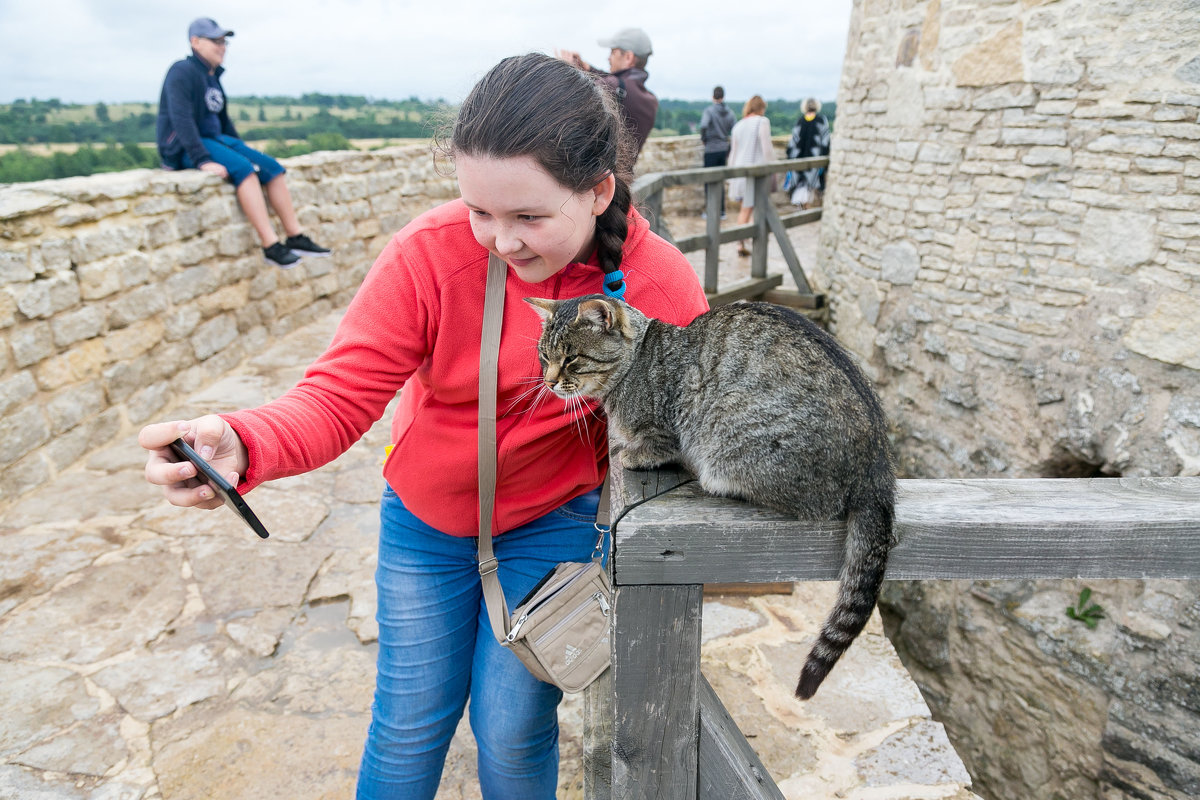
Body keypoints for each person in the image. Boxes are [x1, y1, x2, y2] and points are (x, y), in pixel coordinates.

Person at [139, 52, 709, 799]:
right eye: (479, 211)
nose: (500, 242)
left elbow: (696, 419)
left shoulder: (659, 283)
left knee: (511, 730)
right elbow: (339, 395)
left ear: (600, 190)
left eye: (529, 217)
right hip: (423, 524)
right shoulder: (429, 253)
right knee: (409, 722)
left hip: (551, 522)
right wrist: (245, 442)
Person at [156, 17, 331, 268]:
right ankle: (271, 245)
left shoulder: (211, 76)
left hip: (214, 139)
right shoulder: (182, 71)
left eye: (223, 41)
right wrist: (202, 160)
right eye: (215, 41)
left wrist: (243, 150)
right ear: (195, 42)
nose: (222, 46)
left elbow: (222, 121)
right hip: (186, 146)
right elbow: (181, 119)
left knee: (272, 168)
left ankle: (295, 236)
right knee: (244, 171)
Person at [555, 27, 658, 158]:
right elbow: (618, 82)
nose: (608, 58)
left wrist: (567, 70)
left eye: (613, 52)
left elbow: (570, 99)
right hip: (622, 176)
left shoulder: (613, 86)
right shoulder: (650, 100)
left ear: (628, 57)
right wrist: (587, 68)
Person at [727, 95, 774, 256]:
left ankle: (742, 242)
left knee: (745, 208)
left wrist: (730, 175)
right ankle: (747, 241)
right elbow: (766, 148)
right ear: (761, 108)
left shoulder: (738, 125)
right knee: (751, 208)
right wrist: (772, 167)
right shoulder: (762, 122)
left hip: (739, 171)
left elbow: (733, 153)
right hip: (754, 172)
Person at [786, 97, 831, 209]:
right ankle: (806, 210)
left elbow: (792, 144)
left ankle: (803, 209)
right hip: (814, 163)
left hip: (798, 163)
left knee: (801, 189)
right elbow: (826, 142)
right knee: (810, 191)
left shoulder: (800, 121)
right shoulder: (821, 120)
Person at [698, 85, 735, 218]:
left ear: (713, 96)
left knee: (709, 181)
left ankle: (710, 211)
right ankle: (722, 211)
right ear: (723, 96)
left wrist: (704, 139)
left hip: (711, 149)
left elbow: (703, 125)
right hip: (724, 149)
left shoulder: (709, 111)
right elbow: (734, 130)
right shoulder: (730, 112)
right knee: (720, 180)